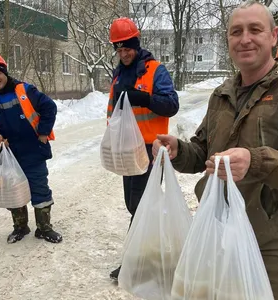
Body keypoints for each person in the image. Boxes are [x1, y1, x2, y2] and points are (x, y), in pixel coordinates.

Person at [152, 1, 278, 299]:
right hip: (218, 232)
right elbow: (203, 151)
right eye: (236, 32)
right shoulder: (221, 95)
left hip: (271, 243)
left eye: (255, 29)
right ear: (228, 41)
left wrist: (255, 161)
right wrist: (179, 151)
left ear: (274, 35)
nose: (245, 38)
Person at [107, 17, 179, 280]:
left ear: (136, 45)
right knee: (132, 203)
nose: (123, 53)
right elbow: (113, 111)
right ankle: (152, 250)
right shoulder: (118, 75)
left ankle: (134, 262)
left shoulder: (155, 71)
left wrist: (144, 99)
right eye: (119, 48)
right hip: (128, 149)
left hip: (151, 150)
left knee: (140, 204)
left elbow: (171, 105)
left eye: (127, 47)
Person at [0, 52, 63, 244]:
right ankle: (21, 227)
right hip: (7, 157)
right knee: (13, 191)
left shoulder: (25, 90)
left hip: (33, 152)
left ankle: (44, 228)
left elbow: (49, 108)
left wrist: (43, 132)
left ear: (5, 72)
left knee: (40, 189)